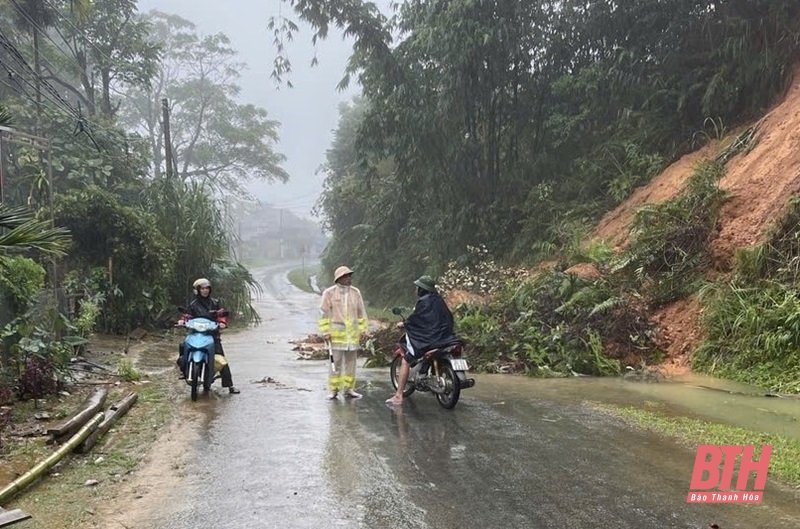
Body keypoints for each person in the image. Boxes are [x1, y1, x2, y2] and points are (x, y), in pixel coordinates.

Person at [385, 275, 457, 406]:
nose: (416, 290)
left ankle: (398, 395)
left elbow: (418, 319)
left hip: (430, 339)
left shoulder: (424, 301)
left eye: (417, 287)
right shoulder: (439, 300)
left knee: (406, 360)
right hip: (446, 337)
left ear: (422, 289)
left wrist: (405, 324)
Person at [176, 278, 240, 394]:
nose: (205, 291)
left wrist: (222, 323)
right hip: (195, 333)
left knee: (221, 359)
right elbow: (187, 316)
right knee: (183, 345)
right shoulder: (193, 305)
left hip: (212, 335)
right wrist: (182, 321)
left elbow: (221, 315)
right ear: (197, 290)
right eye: (202, 288)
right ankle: (183, 370)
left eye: (207, 288)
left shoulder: (215, 303)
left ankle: (230, 385)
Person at [318, 266, 368, 400]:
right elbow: (324, 314)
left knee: (351, 364)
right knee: (335, 364)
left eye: (350, 276)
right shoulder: (329, 293)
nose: (349, 278)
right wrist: (325, 331)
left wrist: (363, 330)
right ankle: (333, 390)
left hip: (352, 336)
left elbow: (361, 312)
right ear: (339, 278)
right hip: (336, 337)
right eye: (346, 276)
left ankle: (349, 388)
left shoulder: (355, 292)